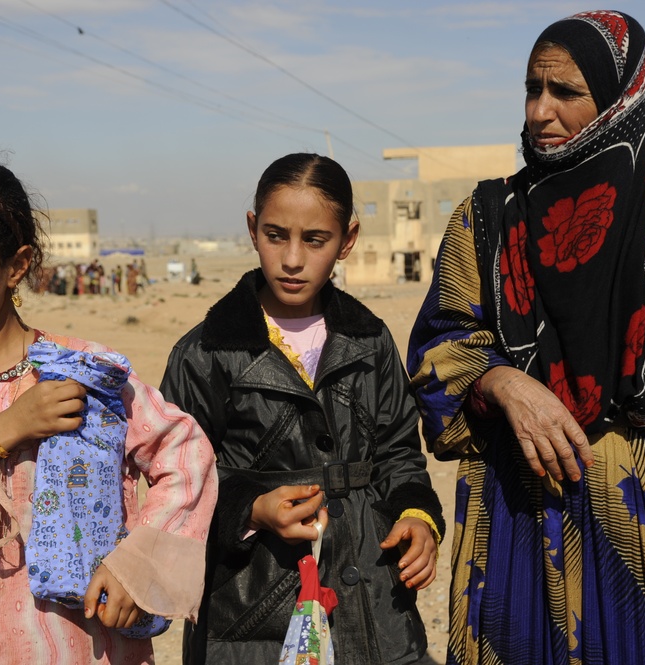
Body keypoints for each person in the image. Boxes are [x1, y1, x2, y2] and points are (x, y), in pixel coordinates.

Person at [407, 10, 645, 664]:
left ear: (620, 100)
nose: (540, 111)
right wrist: (502, 380)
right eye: (531, 89)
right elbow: (438, 351)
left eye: (565, 92)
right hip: (516, 529)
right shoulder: (484, 223)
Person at [0, 153, 218, 665]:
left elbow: (185, 455)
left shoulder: (84, 373)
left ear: (17, 265)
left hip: (72, 644)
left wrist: (138, 567)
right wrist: (4, 431)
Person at [161, 153, 445, 665]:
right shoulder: (205, 353)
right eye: (276, 235)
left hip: (374, 606)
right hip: (250, 610)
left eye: (315, 240)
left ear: (347, 240)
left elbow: (401, 452)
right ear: (252, 229)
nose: (292, 259)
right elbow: (178, 481)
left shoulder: (370, 340)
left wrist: (417, 515)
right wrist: (250, 509)